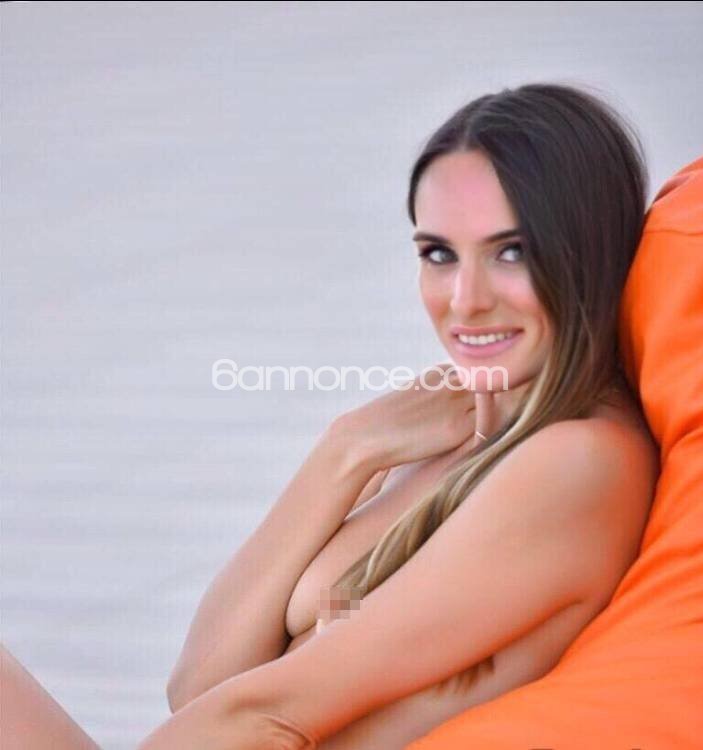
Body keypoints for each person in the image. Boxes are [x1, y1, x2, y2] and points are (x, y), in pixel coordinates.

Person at [2, 82, 660, 750]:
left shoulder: (579, 461)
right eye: (438, 253)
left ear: (587, 250)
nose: (465, 300)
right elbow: (199, 687)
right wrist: (347, 449)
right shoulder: (441, 432)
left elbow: (267, 715)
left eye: (510, 251)